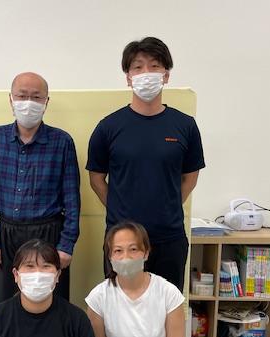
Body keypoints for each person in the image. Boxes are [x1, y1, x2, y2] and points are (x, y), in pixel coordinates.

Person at [87, 37, 205, 291]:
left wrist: (168, 205)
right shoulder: (109, 127)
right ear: (128, 77)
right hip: (122, 239)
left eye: (154, 66)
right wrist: (118, 207)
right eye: (138, 67)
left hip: (169, 237)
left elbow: (190, 176)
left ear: (166, 75)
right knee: (120, 305)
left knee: (167, 305)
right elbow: (96, 178)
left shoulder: (185, 125)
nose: (146, 73)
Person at [0, 72, 80, 306]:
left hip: (50, 233)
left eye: (36, 97)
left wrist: (66, 245)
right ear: (11, 99)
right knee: (4, 303)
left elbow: (72, 201)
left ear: (46, 102)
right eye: (22, 96)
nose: (29, 103)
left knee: (53, 301)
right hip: (7, 234)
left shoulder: (62, 142)